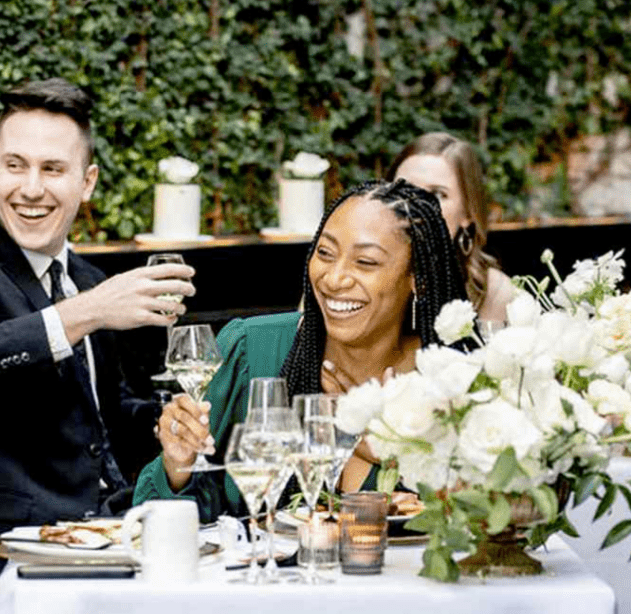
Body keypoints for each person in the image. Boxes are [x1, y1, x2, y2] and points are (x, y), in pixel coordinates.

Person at [0, 78, 196, 531]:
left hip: (120, 528)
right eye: (15, 166)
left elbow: (105, 416)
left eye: (53, 169)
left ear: (87, 182)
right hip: (11, 544)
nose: (31, 189)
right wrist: (87, 311)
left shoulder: (86, 280)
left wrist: (167, 421)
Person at [133, 179, 471, 521]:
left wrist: (392, 455)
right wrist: (179, 466)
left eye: (365, 262)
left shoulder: (453, 381)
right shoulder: (251, 352)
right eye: (325, 253)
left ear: (419, 278)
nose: (334, 278)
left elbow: (486, 523)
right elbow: (154, 524)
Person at [388, 131, 515, 324]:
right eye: (403, 189)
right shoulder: (354, 280)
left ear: (467, 213)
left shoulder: (495, 293)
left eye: (438, 195)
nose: (416, 205)